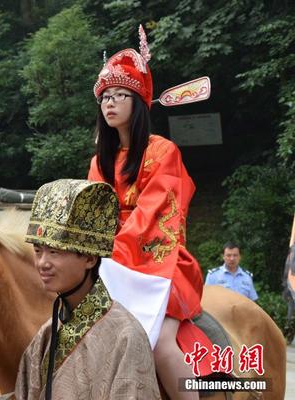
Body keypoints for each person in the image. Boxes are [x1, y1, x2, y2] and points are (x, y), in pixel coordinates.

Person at [0, 179, 161, 400]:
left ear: (89, 258)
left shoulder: (126, 336)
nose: (42, 263)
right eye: (38, 251)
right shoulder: (48, 332)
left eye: (54, 251)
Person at [87, 26, 203, 399]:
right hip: (108, 262)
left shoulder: (163, 152)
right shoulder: (100, 162)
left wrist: (109, 254)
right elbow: (92, 216)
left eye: (121, 94)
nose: (110, 102)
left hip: (159, 265)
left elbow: (153, 218)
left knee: (159, 342)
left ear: (139, 103)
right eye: (105, 96)